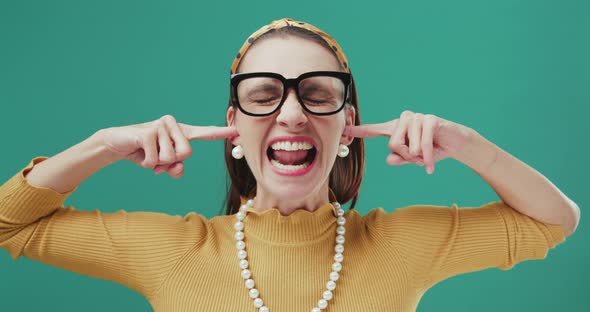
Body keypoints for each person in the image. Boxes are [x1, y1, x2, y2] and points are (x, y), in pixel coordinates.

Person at [0, 17, 580, 312]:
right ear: (233, 128)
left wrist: (464, 142)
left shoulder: (400, 245)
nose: (293, 115)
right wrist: (102, 144)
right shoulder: (176, 253)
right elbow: (8, 224)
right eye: (263, 96)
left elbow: (554, 221)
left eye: (319, 95)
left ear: (347, 127)